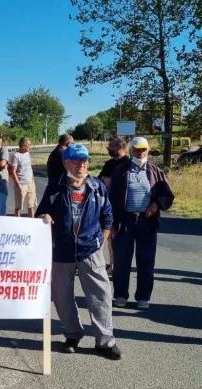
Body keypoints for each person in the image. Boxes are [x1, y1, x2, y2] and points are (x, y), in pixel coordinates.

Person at [36, 144, 121, 360]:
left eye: (84, 160)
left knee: (101, 295)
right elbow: (41, 212)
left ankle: (105, 341)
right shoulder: (55, 187)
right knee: (62, 296)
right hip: (62, 251)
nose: (81, 165)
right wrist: (45, 217)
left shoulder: (97, 186)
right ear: (66, 163)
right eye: (76, 160)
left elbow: (108, 214)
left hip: (90, 250)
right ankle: (72, 335)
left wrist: (102, 237)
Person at [109, 136, 175, 309]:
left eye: (143, 150)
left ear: (148, 151)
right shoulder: (121, 170)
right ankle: (120, 295)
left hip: (147, 222)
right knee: (122, 261)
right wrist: (110, 223)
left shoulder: (155, 171)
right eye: (137, 150)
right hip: (125, 221)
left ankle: (143, 297)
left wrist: (156, 204)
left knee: (146, 261)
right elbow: (110, 197)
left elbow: (168, 195)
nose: (140, 153)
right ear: (131, 151)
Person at [96, 137, 130, 274]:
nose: (109, 149)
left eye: (111, 147)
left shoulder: (128, 163)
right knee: (109, 236)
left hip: (123, 205)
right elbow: (99, 180)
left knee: (120, 238)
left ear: (121, 147)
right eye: (108, 147)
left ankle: (119, 266)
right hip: (108, 205)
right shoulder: (109, 164)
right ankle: (112, 265)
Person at [10, 137, 36, 218]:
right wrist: (18, 185)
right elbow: (13, 172)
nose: (30, 147)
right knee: (18, 207)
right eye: (29, 145)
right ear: (24, 146)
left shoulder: (27, 154)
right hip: (21, 185)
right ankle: (17, 225)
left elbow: (29, 169)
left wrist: (33, 182)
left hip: (30, 184)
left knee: (31, 205)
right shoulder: (16, 156)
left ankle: (32, 223)